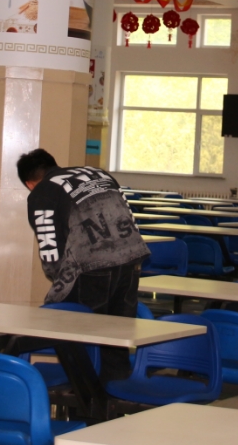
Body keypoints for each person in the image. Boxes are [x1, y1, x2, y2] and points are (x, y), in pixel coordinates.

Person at [16, 148, 150, 381]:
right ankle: (115, 392)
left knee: (83, 338)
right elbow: (127, 215)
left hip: (92, 265)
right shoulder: (99, 174)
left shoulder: (43, 191)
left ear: (29, 183)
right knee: (117, 335)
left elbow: (50, 247)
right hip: (131, 257)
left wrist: (60, 281)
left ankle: (85, 396)